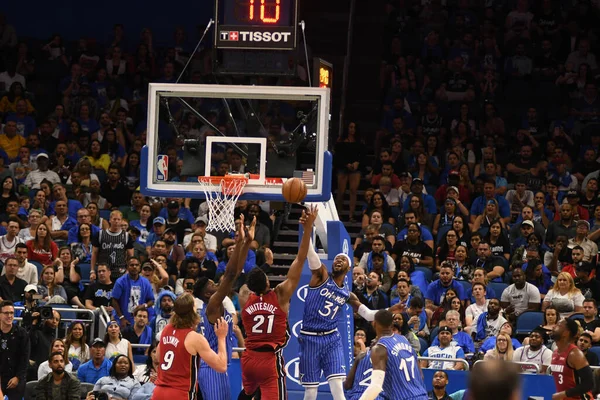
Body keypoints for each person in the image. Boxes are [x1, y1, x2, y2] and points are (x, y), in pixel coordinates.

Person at [239, 206, 318, 400]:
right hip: (268, 360)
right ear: (267, 281)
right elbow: (300, 259)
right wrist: (308, 228)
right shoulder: (280, 295)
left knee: (248, 393)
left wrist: (245, 242)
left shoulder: (244, 297)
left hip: (248, 359)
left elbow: (238, 272)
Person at [194, 215, 253, 400]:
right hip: (211, 368)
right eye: (212, 284)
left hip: (220, 365)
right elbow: (230, 274)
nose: (216, 285)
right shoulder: (212, 305)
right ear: (205, 293)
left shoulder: (216, 304)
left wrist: (246, 243)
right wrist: (240, 242)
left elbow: (236, 272)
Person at [151, 293, 229, 399]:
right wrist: (221, 337)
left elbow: (158, 357)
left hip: (159, 392)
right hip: (180, 393)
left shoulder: (166, 329)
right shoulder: (194, 338)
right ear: (193, 310)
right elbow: (221, 366)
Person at [358, 309, 428, 400]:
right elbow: (420, 374)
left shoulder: (379, 348)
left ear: (374, 324)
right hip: (422, 395)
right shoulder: (404, 340)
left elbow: (376, 387)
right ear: (391, 324)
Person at [550, 318, 594, 400]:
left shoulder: (575, 354)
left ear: (565, 333)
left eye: (558, 325)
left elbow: (589, 384)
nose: (553, 327)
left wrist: (563, 394)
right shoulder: (555, 352)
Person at [91, 210, 134, 282]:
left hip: (120, 272)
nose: (116, 221)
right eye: (114, 219)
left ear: (121, 221)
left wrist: (127, 270)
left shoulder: (126, 236)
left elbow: (131, 256)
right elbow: (94, 253)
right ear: (110, 220)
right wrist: (92, 270)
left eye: (118, 219)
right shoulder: (100, 234)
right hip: (104, 271)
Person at [111, 257, 154, 326]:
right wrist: (121, 318)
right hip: (123, 318)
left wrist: (144, 305)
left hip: (139, 319)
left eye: (136, 265)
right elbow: (114, 300)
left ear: (140, 267)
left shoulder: (146, 282)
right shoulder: (120, 281)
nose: (134, 267)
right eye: (132, 265)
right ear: (127, 267)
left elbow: (151, 300)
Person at [0, 300, 29, 400]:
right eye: (6, 313)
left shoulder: (22, 333)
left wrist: (18, 377)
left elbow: (25, 359)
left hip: (16, 379)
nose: (9, 316)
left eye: (11, 313)